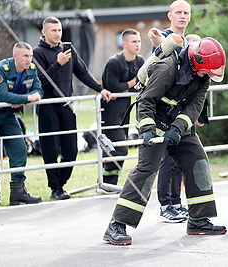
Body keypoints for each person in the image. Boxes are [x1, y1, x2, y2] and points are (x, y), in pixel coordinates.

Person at [103, 37, 227, 245]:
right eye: (207, 71)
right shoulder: (167, 68)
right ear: (197, 62)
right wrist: (148, 130)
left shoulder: (203, 77)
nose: (208, 76)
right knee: (147, 170)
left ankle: (198, 219)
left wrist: (178, 129)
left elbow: (194, 107)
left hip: (177, 122)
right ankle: (116, 224)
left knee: (197, 161)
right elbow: (145, 101)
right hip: (154, 121)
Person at [33, 17, 111, 200]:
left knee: (71, 149)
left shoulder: (67, 48)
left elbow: (82, 72)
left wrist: (100, 88)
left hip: (67, 105)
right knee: (50, 149)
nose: (58, 34)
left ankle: (61, 183)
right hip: (47, 106)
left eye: (59, 30)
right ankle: (55, 188)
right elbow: (40, 80)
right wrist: (57, 63)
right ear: (44, 32)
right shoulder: (37, 52)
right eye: (53, 30)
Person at [147, 0, 191, 223]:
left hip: (181, 109)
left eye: (186, 13)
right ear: (170, 15)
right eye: (178, 12)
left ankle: (176, 202)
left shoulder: (189, 41)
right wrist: (156, 40)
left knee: (179, 159)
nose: (182, 16)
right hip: (162, 109)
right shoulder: (166, 37)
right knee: (167, 158)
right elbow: (156, 49)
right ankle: (166, 205)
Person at [0, 42, 43, 205]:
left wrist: (26, 98)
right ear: (15, 56)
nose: (29, 59)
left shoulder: (31, 69)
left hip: (8, 115)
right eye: (25, 56)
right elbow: (2, 95)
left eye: (30, 56)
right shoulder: (1, 68)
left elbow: (39, 90)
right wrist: (26, 99)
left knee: (19, 149)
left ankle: (17, 191)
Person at [99, 29, 144, 193]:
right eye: (134, 41)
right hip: (110, 111)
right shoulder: (115, 62)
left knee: (117, 147)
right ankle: (106, 182)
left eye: (139, 41)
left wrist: (126, 88)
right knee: (120, 148)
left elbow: (143, 83)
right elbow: (113, 88)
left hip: (125, 110)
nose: (137, 44)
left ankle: (110, 184)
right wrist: (132, 83)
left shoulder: (140, 61)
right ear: (124, 44)